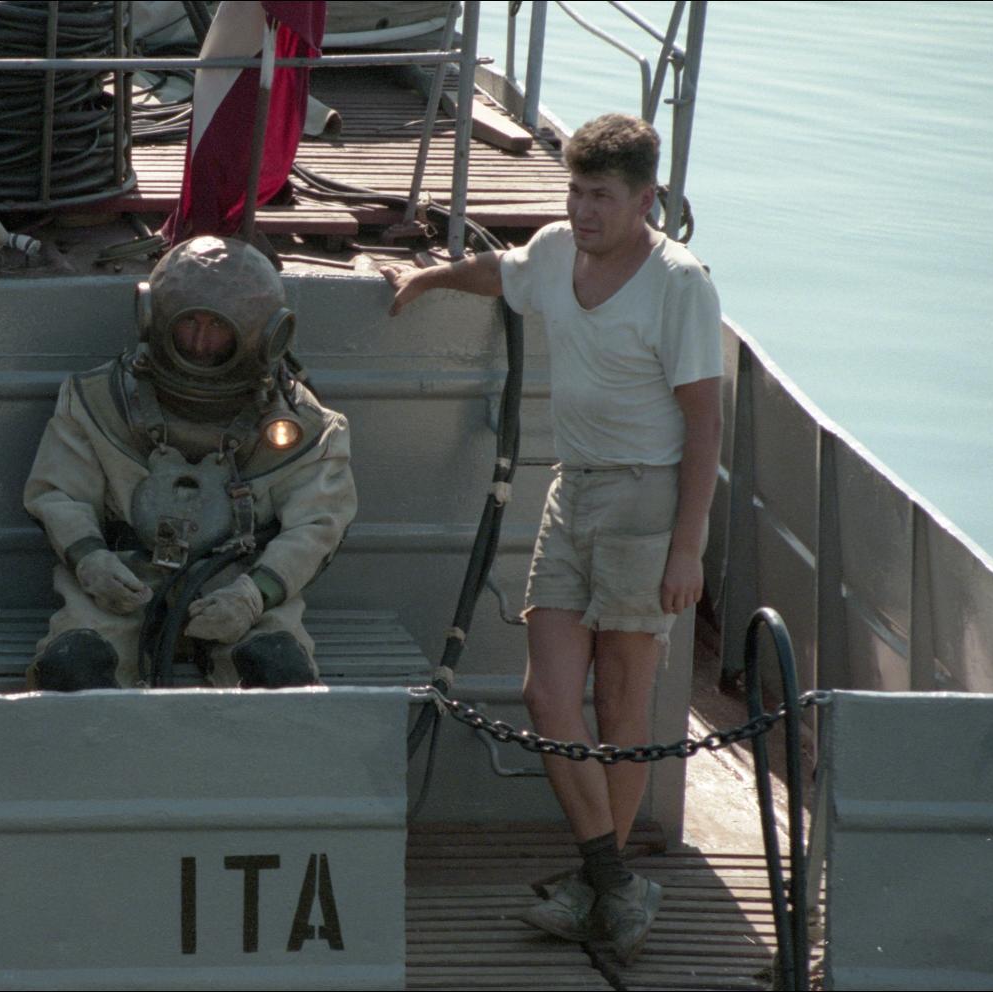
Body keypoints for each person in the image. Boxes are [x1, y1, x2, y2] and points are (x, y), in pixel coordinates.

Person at [381, 113, 723, 965]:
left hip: (647, 502)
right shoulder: (555, 250)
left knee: (622, 704)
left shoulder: (678, 284)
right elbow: (500, 272)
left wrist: (688, 547)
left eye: (600, 196)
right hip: (573, 493)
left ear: (644, 200)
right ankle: (612, 883)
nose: (581, 211)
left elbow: (704, 426)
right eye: (574, 192)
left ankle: (602, 885)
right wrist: (426, 278)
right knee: (546, 697)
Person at [23, 236, 357, 690]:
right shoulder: (98, 403)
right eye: (189, 323)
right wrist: (91, 561)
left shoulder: (306, 427)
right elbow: (60, 493)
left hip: (236, 583)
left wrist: (254, 595)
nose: (200, 343)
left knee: (279, 670)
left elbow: (318, 526)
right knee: (73, 666)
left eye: (218, 327)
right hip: (122, 579)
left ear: (266, 334)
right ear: (153, 318)